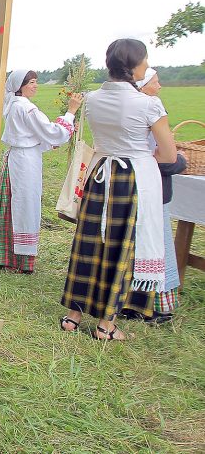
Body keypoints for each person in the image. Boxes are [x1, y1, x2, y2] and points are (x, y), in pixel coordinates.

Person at [60, 39, 177, 341]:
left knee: (91, 243)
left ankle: (73, 314)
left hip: (100, 174)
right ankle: (106, 324)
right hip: (133, 178)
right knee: (123, 245)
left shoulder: (93, 98)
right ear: (135, 66)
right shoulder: (149, 104)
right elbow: (168, 155)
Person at [0, 70, 82, 273]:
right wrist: (71, 112)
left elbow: (33, 135)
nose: (35, 86)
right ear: (20, 86)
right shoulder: (26, 108)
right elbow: (53, 132)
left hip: (18, 157)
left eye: (35, 82)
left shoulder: (14, 105)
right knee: (26, 205)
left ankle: (5, 255)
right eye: (31, 82)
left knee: (15, 203)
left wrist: (47, 141)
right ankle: (22, 260)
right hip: (25, 162)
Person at [122, 68, 187, 323]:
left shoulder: (125, 108)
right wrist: (180, 161)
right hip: (152, 186)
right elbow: (165, 158)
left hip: (128, 184)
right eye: (155, 81)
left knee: (134, 246)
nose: (159, 86)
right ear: (143, 85)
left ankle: (129, 301)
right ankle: (158, 306)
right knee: (156, 245)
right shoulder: (151, 107)